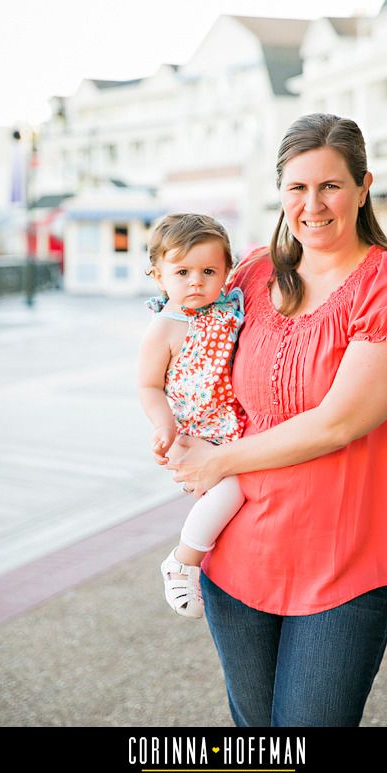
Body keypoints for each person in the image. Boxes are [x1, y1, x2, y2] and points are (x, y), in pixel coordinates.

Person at [159, 113, 387, 727]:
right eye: (296, 187)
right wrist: (168, 419)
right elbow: (185, 339)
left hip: (341, 566)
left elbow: (338, 423)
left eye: (330, 186)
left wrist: (219, 461)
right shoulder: (253, 273)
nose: (311, 204)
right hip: (237, 557)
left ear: (364, 186)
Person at [138, 213, 246, 619]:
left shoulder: (230, 309)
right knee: (231, 490)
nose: (196, 281)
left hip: (233, 427)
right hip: (192, 434)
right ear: (158, 276)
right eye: (182, 271)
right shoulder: (164, 328)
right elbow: (148, 385)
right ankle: (183, 562)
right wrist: (164, 425)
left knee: (242, 490)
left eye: (208, 271)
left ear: (227, 272)